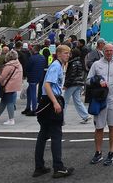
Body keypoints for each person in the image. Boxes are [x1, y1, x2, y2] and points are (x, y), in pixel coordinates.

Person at [33, 45, 73, 178]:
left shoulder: (58, 65)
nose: (68, 55)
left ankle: (39, 166)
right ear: (59, 54)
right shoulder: (56, 66)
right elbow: (47, 84)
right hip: (51, 101)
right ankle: (58, 167)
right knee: (56, 135)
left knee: (43, 134)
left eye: (69, 53)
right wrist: (55, 102)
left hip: (46, 102)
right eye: (66, 53)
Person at [87, 43, 113, 166]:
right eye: (106, 50)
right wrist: (98, 81)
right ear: (103, 51)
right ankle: (98, 153)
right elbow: (88, 80)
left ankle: (111, 153)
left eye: (111, 50)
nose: (109, 52)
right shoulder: (96, 64)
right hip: (100, 100)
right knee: (99, 127)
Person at [0, 50, 23, 125]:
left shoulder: (9, 66)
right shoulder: (18, 65)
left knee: (9, 102)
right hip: (15, 85)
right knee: (4, 101)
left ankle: (11, 119)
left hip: (8, 86)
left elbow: (2, 77)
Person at [64, 48, 90, 124]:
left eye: (70, 53)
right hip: (78, 84)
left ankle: (61, 118)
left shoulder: (73, 63)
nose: (69, 55)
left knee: (64, 101)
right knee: (77, 100)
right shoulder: (79, 62)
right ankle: (85, 115)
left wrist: (66, 85)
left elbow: (71, 75)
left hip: (72, 84)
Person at [24, 45, 47, 116]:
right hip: (39, 77)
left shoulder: (32, 58)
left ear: (34, 50)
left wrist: (26, 74)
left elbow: (27, 67)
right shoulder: (42, 57)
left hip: (32, 77)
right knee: (29, 91)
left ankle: (34, 110)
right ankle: (28, 107)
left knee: (33, 93)